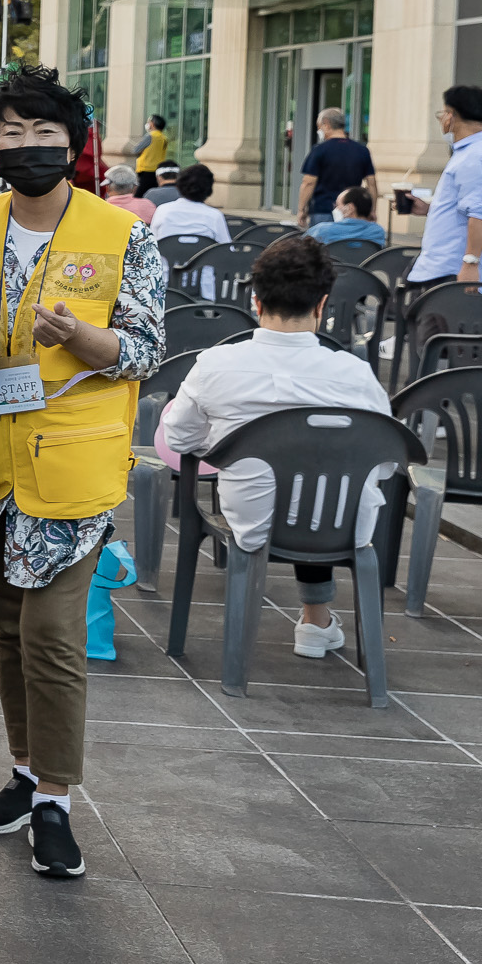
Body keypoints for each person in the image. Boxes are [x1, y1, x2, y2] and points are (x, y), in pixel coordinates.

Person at [0, 64, 164, 882]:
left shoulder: (123, 233)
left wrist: (81, 334)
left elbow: (146, 347)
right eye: (13, 133)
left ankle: (56, 798)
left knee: (51, 635)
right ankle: (20, 770)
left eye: (46, 133)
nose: (30, 146)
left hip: (74, 468)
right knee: (6, 631)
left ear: (75, 144)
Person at [158, 235, 393, 661]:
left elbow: (178, 440)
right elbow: (387, 461)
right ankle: (316, 622)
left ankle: (310, 625)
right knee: (320, 490)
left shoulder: (216, 365)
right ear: (322, 305)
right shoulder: (355, 375)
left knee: (279, 486)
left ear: (255, 301)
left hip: (251, 522)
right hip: (342, 527)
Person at [406, 85, 482, 286]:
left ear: (451, 116)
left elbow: (479, 213)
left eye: (443, 112)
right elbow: (466, 206)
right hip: (443, 267)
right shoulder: (471, 152)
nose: (441, 119)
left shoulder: (477, 156)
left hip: (452, 271)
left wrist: (470, 264)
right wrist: (430, 209)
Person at [296, 107, 377, 229]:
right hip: (352, 212)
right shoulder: (362, 150)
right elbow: (372, 184)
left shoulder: (319, 150)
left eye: (319, 126)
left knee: (321, 246)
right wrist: (371, 210)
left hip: (323, 210)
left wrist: (301, 209)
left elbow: (308, 182)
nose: (319, 130)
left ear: (326, 124)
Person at [150, 163, 231, 243]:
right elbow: (226, 248)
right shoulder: (215, 215)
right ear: (209, 189)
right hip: (204, 256)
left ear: (179, 185)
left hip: (167, 255)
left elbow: (151, 244)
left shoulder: (162, 210)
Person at [310, 185, 387, 247]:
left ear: (350, 208)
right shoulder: (378, 232)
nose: (335, 209)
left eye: (337, 205)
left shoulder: (322, 230)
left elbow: (300, 248)